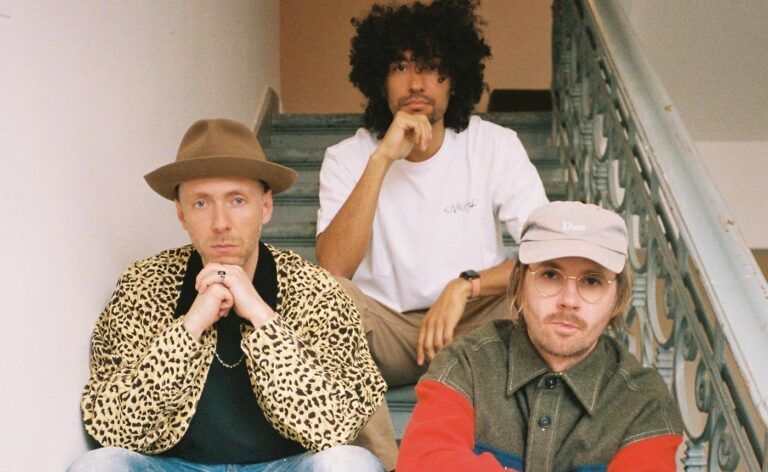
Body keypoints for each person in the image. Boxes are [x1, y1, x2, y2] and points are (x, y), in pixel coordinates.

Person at [69, 119, 387, 472]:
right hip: (175, 466)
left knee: (349, 463)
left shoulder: (314, 290)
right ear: (181, 214)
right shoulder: (143, 286)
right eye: (201, 203)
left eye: (237, 200)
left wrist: (262, 317)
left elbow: (336, 425)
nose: (221, 222)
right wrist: (191, 326)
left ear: (266, 207)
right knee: (99, 464)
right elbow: (113, 427)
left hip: (283, 466)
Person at [316, 0, 548, 388]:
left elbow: (546, 251)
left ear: (454, 79)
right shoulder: (347, 157)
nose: (416, 84)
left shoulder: (494, 145)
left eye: (431, 67)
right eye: (400, 67)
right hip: (387, 331)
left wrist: (466, 285)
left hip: (473, 322)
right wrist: (382, 159)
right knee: (325, 297)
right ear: (380, 81)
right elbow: (334, 269)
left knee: (544, 291)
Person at [397, 201, 684, 471]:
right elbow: (423, 462)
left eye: (591, 281)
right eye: (550, 275)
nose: (568, 300)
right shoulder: (467, 363)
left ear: (618, 299)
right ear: (519, 283)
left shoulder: (642, 400)